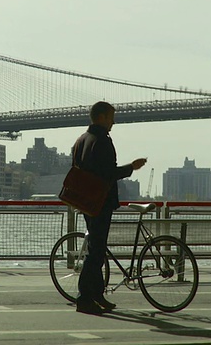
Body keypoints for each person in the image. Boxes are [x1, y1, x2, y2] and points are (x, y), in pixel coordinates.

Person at [72, 101, 147, 315]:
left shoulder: (81, 140)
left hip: (85, 202)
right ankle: (84, 298)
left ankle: (97, 294)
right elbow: (108, 173)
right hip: (100, 202)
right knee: (96, 252)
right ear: (102, 117)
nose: (114, 121)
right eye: (112, 117)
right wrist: (131, 167)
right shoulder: (102, 141)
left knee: (97, 249)